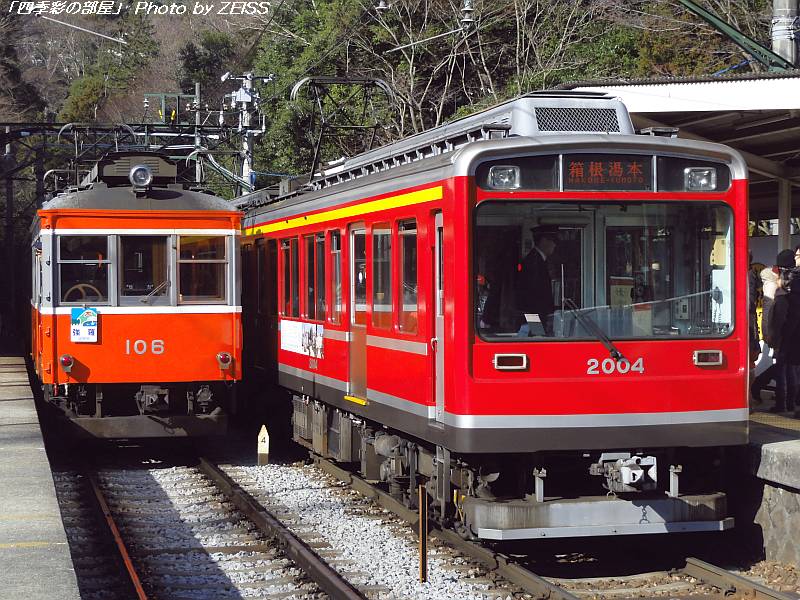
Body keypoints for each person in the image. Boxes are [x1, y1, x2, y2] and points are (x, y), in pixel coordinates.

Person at [767, 249, 798, 413]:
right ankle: (791, 403)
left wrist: (775, 337)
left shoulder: (782, 292)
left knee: (781, 368)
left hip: (785, 334)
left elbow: (779, 318)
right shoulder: (797, 284)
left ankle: (781, 403)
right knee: (791, 368)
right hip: (796, 333)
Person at [516, 225, 558, 336]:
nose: (555, 245)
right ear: (544, 241)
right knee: (536, 342)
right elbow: (532, 298)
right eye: (553, 240)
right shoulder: (534, 262)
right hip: (534, 317)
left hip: (536, 317)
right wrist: (538, 330)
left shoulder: (537, 260)